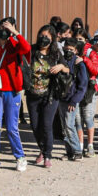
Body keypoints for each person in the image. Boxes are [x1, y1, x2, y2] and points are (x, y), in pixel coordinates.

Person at [0, 17, 31, 172]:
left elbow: (27, 48)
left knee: (11, 127)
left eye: (7, 29)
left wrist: (15, 32)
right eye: (2, 28)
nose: (4, 31)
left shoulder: (15, 44)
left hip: (12, 90)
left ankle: (20, 156)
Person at [25, 25, 68, 168]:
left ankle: (47, 154)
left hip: (50, 95)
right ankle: (42, 150)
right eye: (41, 35)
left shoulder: (56, 53)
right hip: (32, 94)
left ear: (53, 39)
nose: (43, 39)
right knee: (35, 126)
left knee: (46, 125)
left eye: (47, 37)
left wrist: (61, 67)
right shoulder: (31, 50)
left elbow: (68, 69)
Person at [58, 38, 89, 160]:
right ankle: (69, 151)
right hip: (61, 98)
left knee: (70, 125)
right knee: (64, 127)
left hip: (71, 100)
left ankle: (77, 151)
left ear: (76, 50)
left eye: (71, 49)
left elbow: (82, 86)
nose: (68, 51)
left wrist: (74, 100)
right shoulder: (62, 60)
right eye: (66, 49)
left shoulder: (79, 64)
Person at [72, 28, 98, 157]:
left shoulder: (91, 52)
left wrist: (85, 60)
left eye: (81, 39)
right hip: (75, 89)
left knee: (88, 118)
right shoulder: (71, 51)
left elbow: (95, 70)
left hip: (89, 89)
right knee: (77, 120)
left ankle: (90, 145)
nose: (78, 41)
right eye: (76, 39)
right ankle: (80, 146)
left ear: (86, 40)